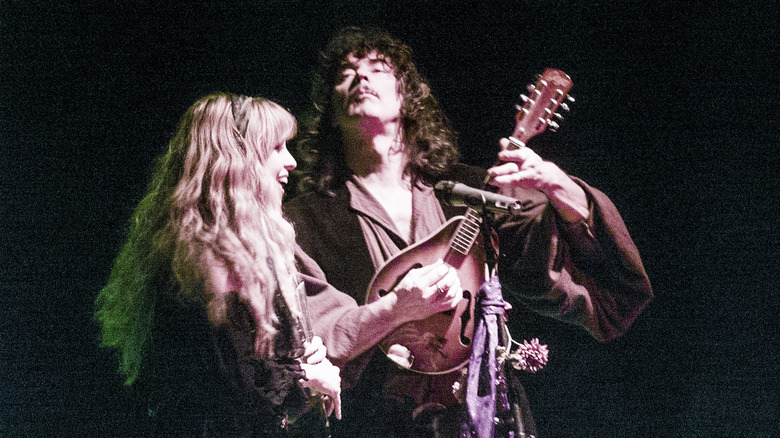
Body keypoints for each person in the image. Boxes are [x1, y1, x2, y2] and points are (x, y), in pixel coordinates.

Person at [284, 27, 653, 437]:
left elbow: (597, 286)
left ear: (408, 96)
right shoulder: (301, 222)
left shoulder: (473, 193)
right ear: (330, 112)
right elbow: (298, 343)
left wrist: (558, 186)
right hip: (368, 419)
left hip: (479, 413)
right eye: (345, 73)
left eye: (376, 68)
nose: (360, 78)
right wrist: (395, 312)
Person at [95, 93, 343, 437]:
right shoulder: (204, 254)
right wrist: (304, 376)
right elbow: (231, 387)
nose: (291, 161)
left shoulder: (246, 244)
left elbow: (258, 369)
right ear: (238, 158)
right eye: (275, 148)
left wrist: (302, 357)